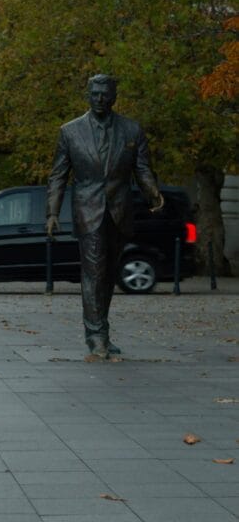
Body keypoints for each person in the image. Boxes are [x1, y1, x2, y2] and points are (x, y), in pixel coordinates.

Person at [46, 74, 164, 359]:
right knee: (94, 273)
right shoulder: (70, 131)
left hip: (120, 210)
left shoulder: (131, 130)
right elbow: (58, 175)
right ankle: (96, 336)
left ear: (114, 96)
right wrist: (52, 212)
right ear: (87, 94)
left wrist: (153, 192)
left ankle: (103, 331)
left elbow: (142, 168)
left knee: (108, 275)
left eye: (105, 94)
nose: (100, 99)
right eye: (95, 94)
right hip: (88, 211)